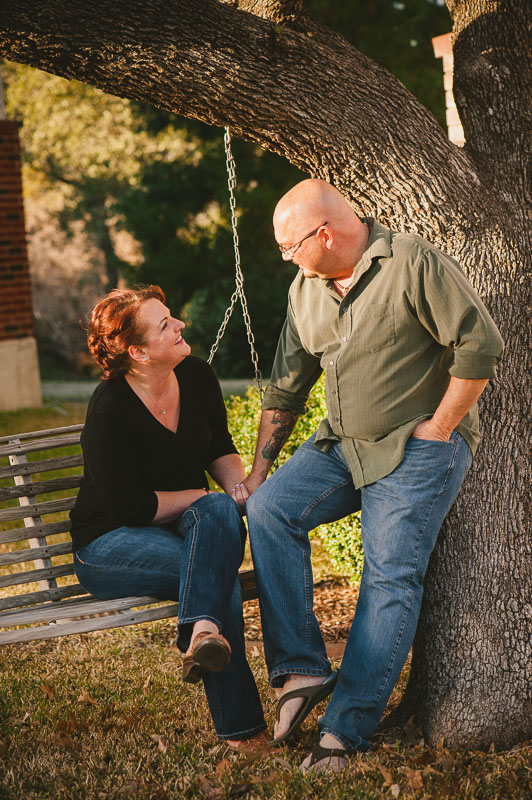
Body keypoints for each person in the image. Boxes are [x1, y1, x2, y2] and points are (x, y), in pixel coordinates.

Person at [242, 179, 504, 772]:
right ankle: (304, 669)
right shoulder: (305, 287)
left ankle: (345, 731)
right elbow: (287, 382)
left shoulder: (412, 262)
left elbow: (478, 345)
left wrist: (440, 427)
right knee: (270, 510)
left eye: (289, 245)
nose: (285, 256)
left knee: (388, 579)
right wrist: (261, 469)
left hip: (416, 449)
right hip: (341, 446)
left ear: (325, 233)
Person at [70, 285, 266, 748]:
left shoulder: (196, 375)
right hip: (109, 542)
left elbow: (218, 446)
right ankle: (242, 732)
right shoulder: (109, 408)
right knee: (222, 579)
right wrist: (202, 497)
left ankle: (200, 633)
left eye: (172, 317)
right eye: (165, 325)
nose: (180, 325)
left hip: (179, 521)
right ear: (138, 351)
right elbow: (131, 507)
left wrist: (238, 492)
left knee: (217, 510)